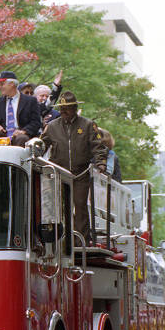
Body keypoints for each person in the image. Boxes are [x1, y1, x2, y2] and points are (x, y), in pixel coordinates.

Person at [40, 91, 108, 244]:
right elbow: (42, 145)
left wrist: (101, 162)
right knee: (59, 207)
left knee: (80, 205)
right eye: (62, 108)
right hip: (58, 173)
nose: (64, 111)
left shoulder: (88, 125)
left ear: (75, 108)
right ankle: (61, 241)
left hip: (80, 173)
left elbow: (98, 147)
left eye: (68, 108)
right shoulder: (52, 127)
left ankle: (81, 241)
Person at [0, 71, 41, 146]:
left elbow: (36, 122)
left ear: (11, 84)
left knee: (21, 138)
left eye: (2, 84)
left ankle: (19, 157)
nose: (0, 87)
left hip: (21, 136)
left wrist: (23, 131)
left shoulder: (30, 101)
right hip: (2, 136)